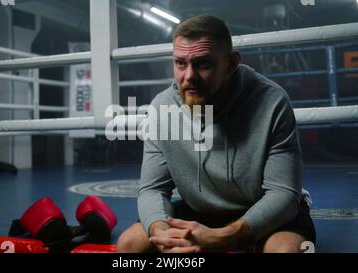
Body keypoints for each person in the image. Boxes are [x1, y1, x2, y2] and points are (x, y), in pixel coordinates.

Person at [116, 15, 316, 253]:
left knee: (286, 251)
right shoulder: (163, 107)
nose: (189, 76)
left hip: (263, 208)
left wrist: (227, 235)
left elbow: (283, 193)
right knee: (130, 245)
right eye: (181, 63)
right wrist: (163, 232)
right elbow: (153, 189)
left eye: (203, 64)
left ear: (231, 64)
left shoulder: (271, 101)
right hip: (200, 212)